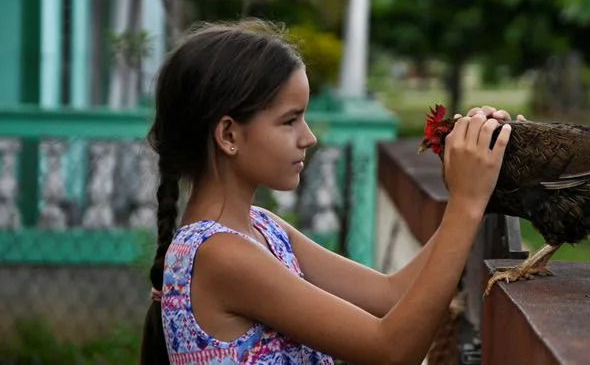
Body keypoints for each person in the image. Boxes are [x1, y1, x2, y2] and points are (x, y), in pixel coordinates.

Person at [140, 19, 512, 365]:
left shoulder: (262, 228)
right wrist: (465, 204)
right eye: (289, 120)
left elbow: (390, 295)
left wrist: (478, 189)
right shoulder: (219, 254)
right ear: (228, 135)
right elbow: (393, 350)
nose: (309, 137)